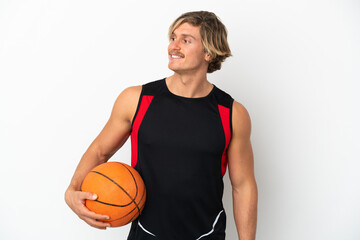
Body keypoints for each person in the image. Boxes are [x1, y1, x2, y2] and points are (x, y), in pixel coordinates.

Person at [65, 11, 258, 240]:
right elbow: (100, 151)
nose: (173, 46)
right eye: (173, 38)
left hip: (206, 235)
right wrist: (72, 190)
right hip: (147, 234)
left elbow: (243, 186)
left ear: (208, 52)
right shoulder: (136, 99)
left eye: (186, 40)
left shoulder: (232, 113)